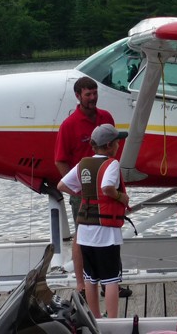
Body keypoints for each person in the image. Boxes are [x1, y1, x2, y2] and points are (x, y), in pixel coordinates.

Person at [54, 76, 123, 299]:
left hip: (108, 188)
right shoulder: (69, 125)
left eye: (95, 93)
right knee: (79, 237)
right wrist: (79, 189)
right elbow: (60, 160)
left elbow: (114, 149)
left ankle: (111, 282)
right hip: (83, 192)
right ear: (78, 96)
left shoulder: (106, 117)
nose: (92, 98)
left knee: (112, 229)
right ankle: (82, 284)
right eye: (88, 94)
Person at [57, 124, 130, 319]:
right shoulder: (112, 164)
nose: (118, 145)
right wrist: (121, 197)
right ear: (108, 146)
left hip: (85, 233)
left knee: (91, 279)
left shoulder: (83, 164)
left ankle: (96, 320)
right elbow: (107, 187)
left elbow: (61, 184)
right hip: (105, 233)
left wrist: (82, 194)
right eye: (117, 142)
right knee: (111, 280)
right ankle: (113, 322)